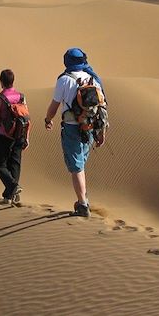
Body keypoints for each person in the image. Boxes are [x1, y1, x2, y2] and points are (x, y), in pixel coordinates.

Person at [43, 48, 106, 217]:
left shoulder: (64, 80)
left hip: (72, 127)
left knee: (76, 168)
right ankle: (83, 197)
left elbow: (54, 106)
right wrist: (101, 131)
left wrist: (48, 120)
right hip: (90, 127)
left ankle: (83, 205)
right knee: (80, 165)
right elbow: (101, 108)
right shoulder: (92, 78)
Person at [0, 69, 30, 204]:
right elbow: (26, 117)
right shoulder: (22, 97)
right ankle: (10, 196)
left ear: (1, 82)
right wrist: (26, 136)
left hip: (4, 135)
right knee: (14, 164)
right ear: (13, 81)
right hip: (19, 134)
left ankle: (13, 187)